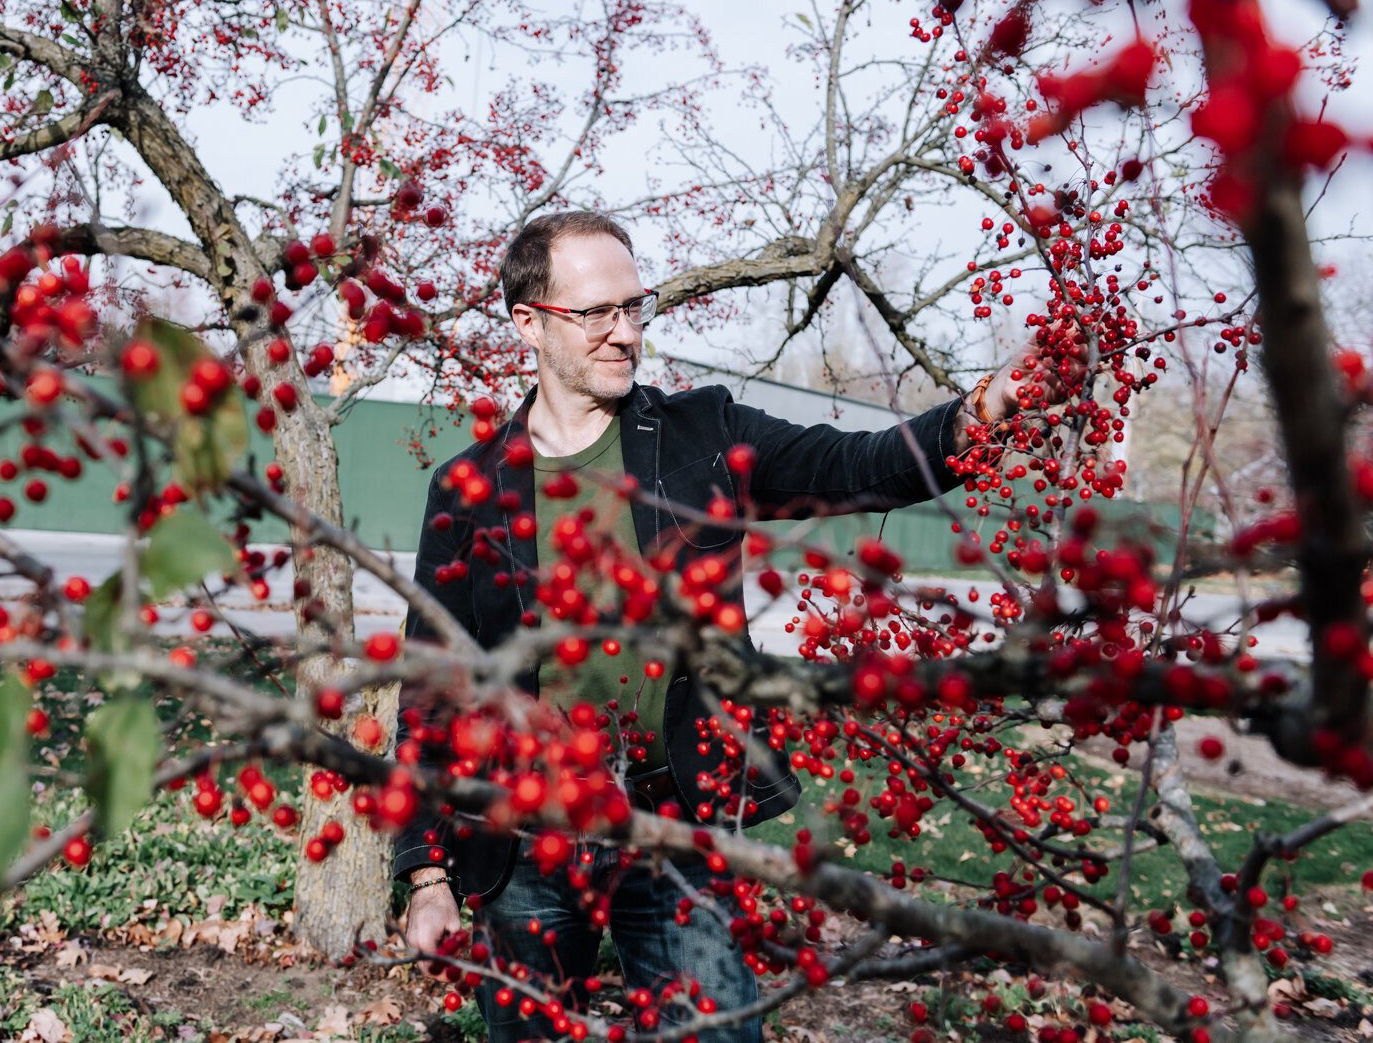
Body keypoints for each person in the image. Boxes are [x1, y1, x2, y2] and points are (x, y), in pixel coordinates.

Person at [393, 211, 1029, 1041]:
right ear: (528, 323)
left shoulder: (701, 435)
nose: (626, 333)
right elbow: (431, 686)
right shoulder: (470, 488)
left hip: (675, 830)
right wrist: (426, 871)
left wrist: (978, 415)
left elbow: (854, 467)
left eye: (635, 306)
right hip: (525, 835)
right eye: (596, 313)